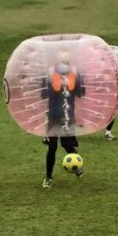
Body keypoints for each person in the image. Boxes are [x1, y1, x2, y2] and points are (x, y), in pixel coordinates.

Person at [41, 54, 85, 188]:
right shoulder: (49, 73)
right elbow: (43, 94)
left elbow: (81, 93)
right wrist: (56, 86)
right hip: (54, 116)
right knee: (52, 147)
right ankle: (48, 178)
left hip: (68, 116)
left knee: (68, 145)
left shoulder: (75, 73)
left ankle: (77, 167)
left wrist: (75, 84)